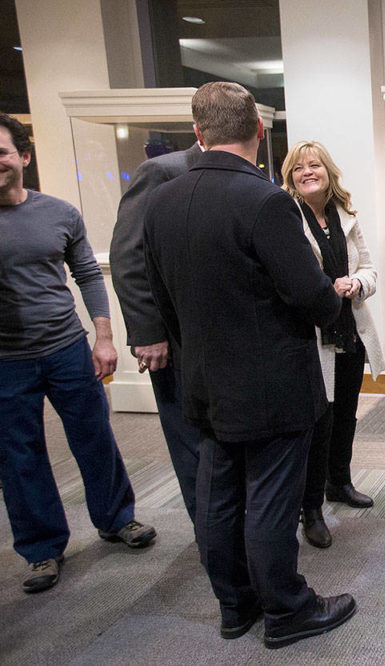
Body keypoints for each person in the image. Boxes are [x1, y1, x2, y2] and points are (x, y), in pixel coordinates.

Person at [143, 82, 356, 648]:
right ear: (260, 131)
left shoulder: (159, 200)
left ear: (198, 132)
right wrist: (334, 298)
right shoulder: (266, 201)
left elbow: (160, 299)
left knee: (217, 498)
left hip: (204, 380)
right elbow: (312, 297)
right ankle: (287, 612)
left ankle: (235, 607)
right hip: (273, 386)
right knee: (269, 499)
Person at [0, 111, 157, 595]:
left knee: (93, 436)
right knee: (19, 455)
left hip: (66, 347)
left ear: (22, 156)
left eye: (2, 152)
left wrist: (104, 337)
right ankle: (42, 548)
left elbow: (88, 274)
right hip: (6, 361)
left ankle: (116, 518)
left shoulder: (59, 213)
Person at [280, 140, 385, 548]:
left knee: (345, 416)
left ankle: (338, 483)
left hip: (350, 331)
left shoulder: (346, 216)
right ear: (290, 177)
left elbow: (371, 269)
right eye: (298, 168)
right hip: (313, 338)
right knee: (318, 425)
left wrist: (357, 283)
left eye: (314, 166)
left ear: (328, 173)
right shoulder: (287, 217)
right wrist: (326, 288)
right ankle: (311, 509)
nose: (307, 172)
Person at [110, 141, 203, 526]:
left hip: (221, 339)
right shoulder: (162, 172)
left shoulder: (243, 173)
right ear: (200, 128)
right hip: (175, 342)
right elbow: (128, 256)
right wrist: (148, 332)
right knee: (191, 446)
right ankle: (212, 540)